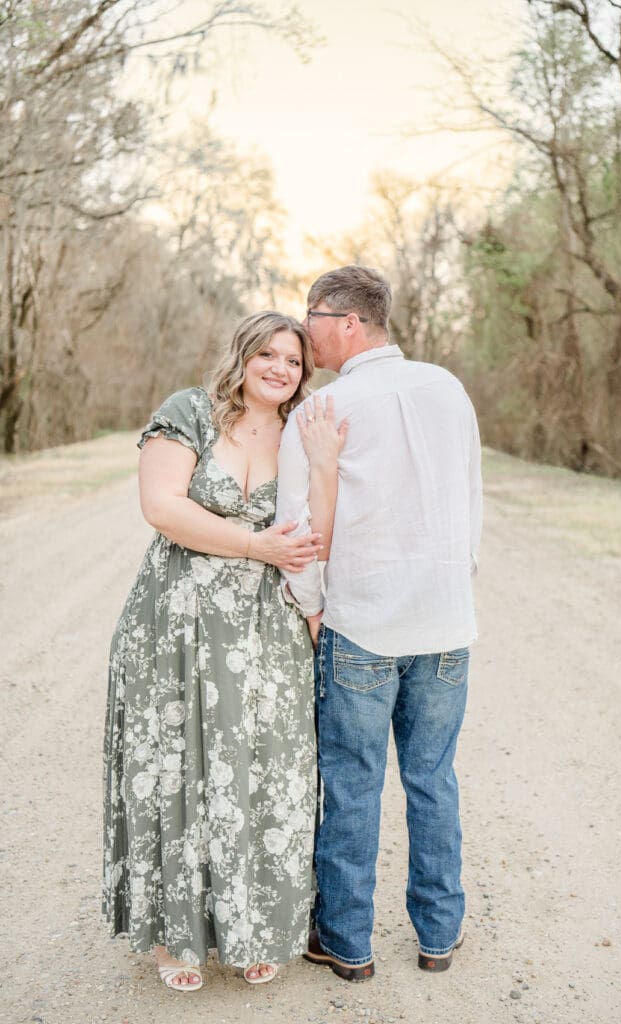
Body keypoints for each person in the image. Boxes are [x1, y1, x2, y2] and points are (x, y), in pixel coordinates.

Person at [102, 311, 345, 991]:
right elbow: (163, 507)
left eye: (293, 360)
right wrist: (255, 545)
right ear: (242, 355)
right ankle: (176, 938)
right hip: (175, 623)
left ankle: (255, 923)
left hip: (268, 629)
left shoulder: (300, 433)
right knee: (176, 769)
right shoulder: (189, 411)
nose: (279, 368)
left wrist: (322, 471)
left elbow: (313, 537)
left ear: (304, 373)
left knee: (262, 771)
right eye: (267, 353)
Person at [275, 266, 482, 982]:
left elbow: (296, 525)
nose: (305, 330)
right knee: (433, 778)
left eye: (313, 316)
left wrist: (309, 606)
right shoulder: (446, 389)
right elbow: (472, 497)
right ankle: (438, 937)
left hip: (361, 620)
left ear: (348, 322)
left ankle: (347, 945)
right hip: (446, 620)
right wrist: (460, 580)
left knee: (355, 782)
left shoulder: (322, 410)